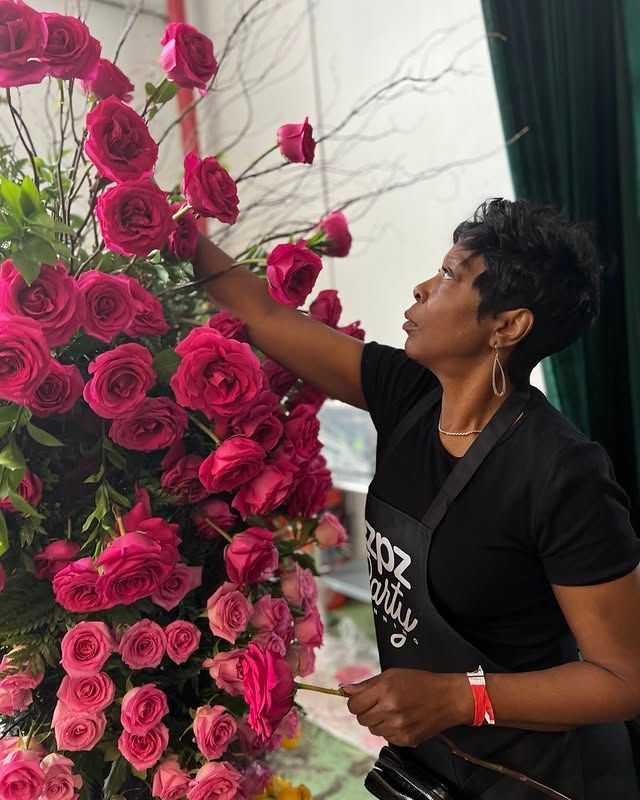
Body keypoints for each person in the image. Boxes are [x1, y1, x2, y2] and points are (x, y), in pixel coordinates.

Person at [192, 198, 640, 799]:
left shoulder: (562, 473)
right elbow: (263, 313)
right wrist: (167, 228)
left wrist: (459, 696)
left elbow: (624, 677)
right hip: (436, 764)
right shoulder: (409, 394)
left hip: (541, 775)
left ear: (507, 326)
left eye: (451, 276)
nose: (423, 287)